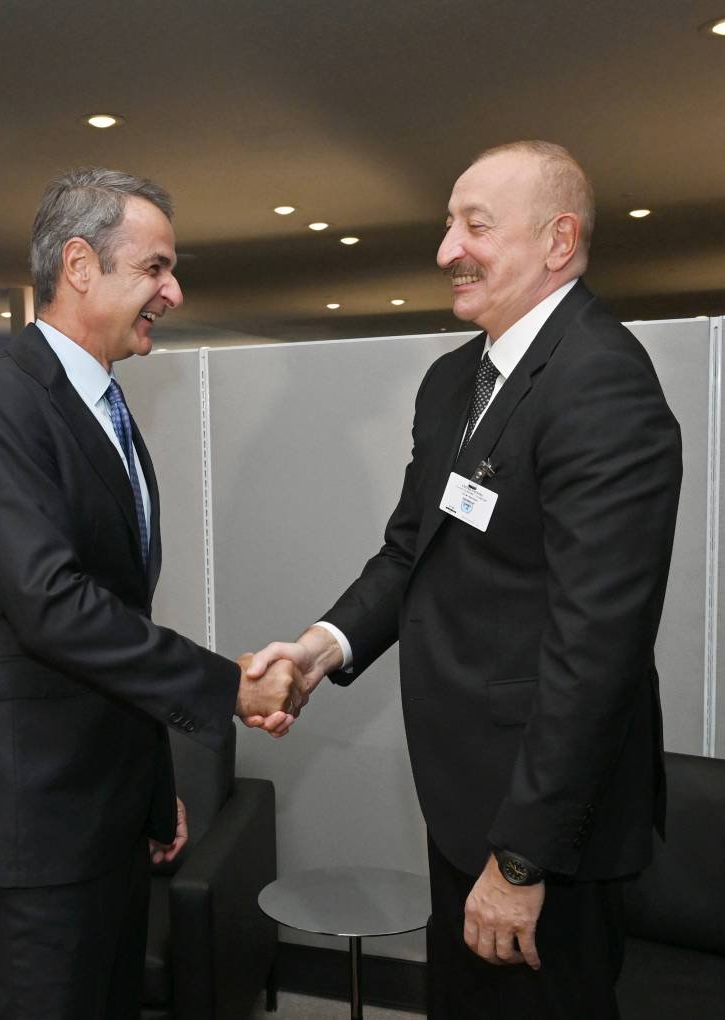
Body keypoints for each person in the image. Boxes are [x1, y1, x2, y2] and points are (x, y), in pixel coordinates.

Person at [247, 141, 683, 1019]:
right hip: (465, 806)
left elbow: (596, 652)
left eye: (475, 227)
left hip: (545, 831)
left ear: (557, 241)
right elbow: (412, 549)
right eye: (448, 225)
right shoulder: (455, 381)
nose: (447, 249)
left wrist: (520, 862)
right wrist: (319, 650)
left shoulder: (601, 383)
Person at [0, 167, 298, 1020]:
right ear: (79, 265)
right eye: (155, 268)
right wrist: (230, 688)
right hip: (38, 821)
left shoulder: (102, 406)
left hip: (106, 810)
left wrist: (150, 787)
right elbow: (53, 606)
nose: (173, 291)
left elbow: (117, 617)